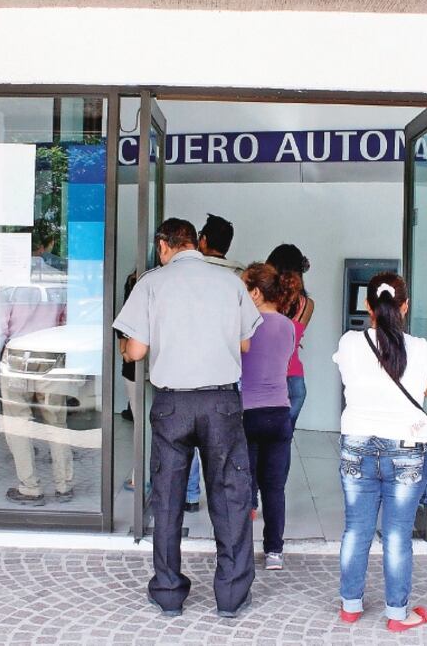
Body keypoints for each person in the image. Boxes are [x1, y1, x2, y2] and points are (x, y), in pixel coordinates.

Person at [112, 218, 262, 619]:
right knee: (230, 496)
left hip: (173, 403)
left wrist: (127, 346)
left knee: (168, 498)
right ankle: (230, 596)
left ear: (163, 246)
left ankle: (168, 592)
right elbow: (246, 342)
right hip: (221, 403)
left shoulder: (151, 283)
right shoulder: (230, 282)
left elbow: (137, 351)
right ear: (195, 242)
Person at [333, 272, 427, 632]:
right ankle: (397, 615)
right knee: (396, 534)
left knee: (356, 530)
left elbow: (350, 377)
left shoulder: (349, 342)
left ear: (368, 306)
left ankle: (350, 606)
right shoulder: (422, 349)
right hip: (406, 448)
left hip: (357, 444)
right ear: (405, 306)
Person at [0, 233, 71, 506]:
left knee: (18, 424)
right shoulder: (58, 279)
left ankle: (30, 487)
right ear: (46, 246)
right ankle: (64, 484)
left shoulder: (9, 283)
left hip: (18, 356)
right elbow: (66, 321)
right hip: (51, 355)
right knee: (57, 422)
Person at [181, 213, 246, 513]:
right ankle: (223, 498)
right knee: (223, 437)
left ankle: (190, 494)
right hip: (228, 367)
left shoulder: (190, 272)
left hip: (191, 362)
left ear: (202, 241)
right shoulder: (241, 276)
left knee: (187, 432)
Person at [238, 263, 300, 571]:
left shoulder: (245, 325)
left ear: (256, 292)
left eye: (243, 288)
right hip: (279, 414)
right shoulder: (288, 326)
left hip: (247, 413)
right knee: (274, 487)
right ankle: (274, 551)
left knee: (244, 485)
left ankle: (240, 548)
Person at [266, 244, 314, 433]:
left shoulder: (264, 302)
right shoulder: (307, 305)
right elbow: (292, 338)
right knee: (282, 443)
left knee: (260, 446)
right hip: (295, 383)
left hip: (267, 381)